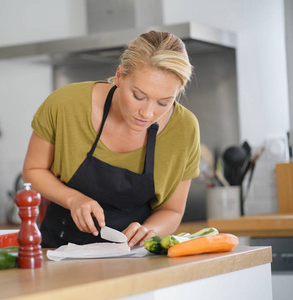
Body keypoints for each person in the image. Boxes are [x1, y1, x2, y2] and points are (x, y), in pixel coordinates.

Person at [22, 30, 200, 248]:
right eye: (138, 96)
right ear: (119, 76)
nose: (147, 113)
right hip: (57, 250)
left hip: (133, 260)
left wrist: (148, 231)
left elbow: (172, 210)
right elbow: (33, 170)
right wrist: (74, 199)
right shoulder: (66, 105)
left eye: (163, 103)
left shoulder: (184, 129)